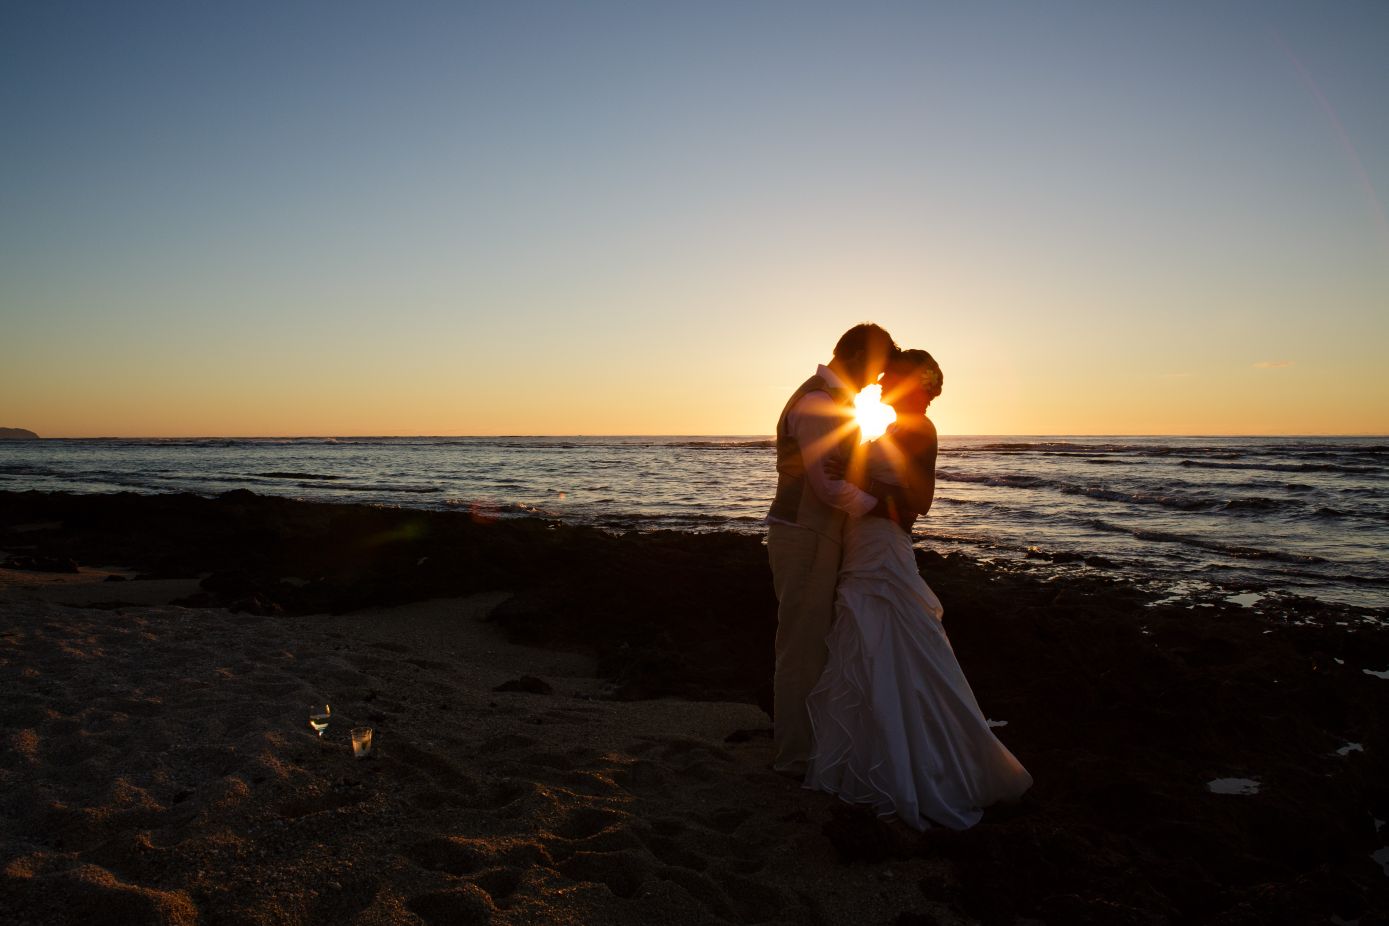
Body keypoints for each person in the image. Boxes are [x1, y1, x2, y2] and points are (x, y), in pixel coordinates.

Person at [803, 349, 1033, 829]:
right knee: (872, 642)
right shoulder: (895, 426)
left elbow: (919, 500)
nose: (880, 381)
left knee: (892, 639)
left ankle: (919, 765)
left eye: (891, 376)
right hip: (866, 541)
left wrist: (862, 490)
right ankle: (876, 755)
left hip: (882, 544)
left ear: (912, 384)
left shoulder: (918, 429)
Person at [765, 323, 901, 775]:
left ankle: (807, 743)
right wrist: (881, 510)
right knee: (801, 646)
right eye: (879, 368)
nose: (880, 380)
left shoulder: (831, 401)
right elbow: (827, 487)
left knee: (812, 641)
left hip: (815, 534)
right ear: (859, 356)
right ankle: (794, 755)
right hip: (805, 535)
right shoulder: (820, 403)